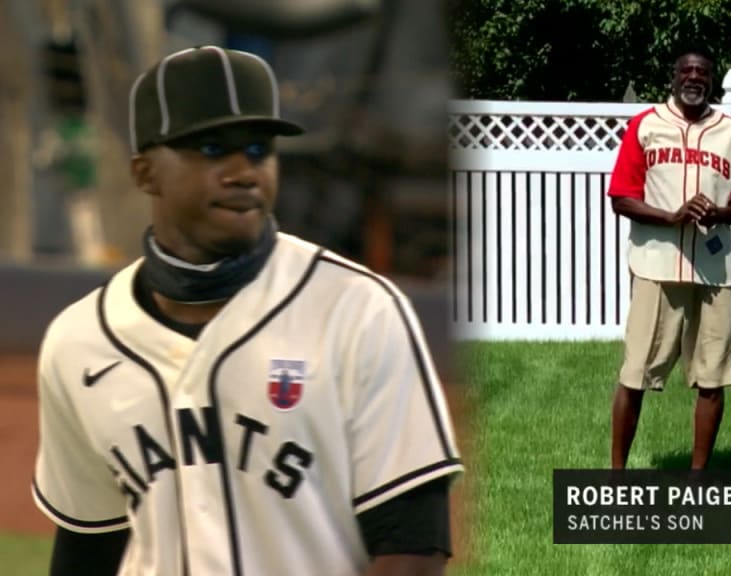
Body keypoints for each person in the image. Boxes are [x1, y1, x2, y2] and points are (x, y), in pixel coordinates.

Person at [31, 45, 463, 576]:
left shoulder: (358, 312)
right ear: (145, 173)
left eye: (259, 150)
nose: (244, 171)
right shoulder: (79, 342)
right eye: (213, 149)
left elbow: (413, 550)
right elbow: (88, 547)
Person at [606, 46, 731, 470]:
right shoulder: (647, 125)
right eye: (686, 70)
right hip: (656, 263)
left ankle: (698, 477)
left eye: (702, 72)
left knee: (712, 376)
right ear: (673, 76)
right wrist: (671, 217)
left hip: (715, 269)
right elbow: (621, 197)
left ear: (710, 80)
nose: (694, 78)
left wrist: (719, 212)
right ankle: (616, 474)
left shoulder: (730, 132)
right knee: (636, 372)